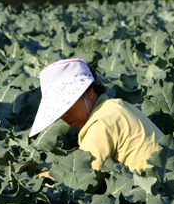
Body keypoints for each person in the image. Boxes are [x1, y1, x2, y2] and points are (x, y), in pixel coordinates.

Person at [30, 59, 165, 192]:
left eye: (66, 104)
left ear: (89, 92)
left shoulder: (101, 122)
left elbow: (83, 182)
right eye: (57, 109)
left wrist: (32, 181)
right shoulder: (118, 106)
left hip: (155, 200)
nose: (63, 115)